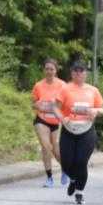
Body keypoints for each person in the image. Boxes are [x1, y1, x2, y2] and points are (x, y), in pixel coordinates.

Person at [54, 60, 103, 205]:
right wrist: (62, 119)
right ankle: (74, 179)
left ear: (86, 73)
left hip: (87, 130)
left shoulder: (93, 90)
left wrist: (95, 111)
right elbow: (56, 107)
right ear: (71, 73)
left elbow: (102, 110)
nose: (78, 73)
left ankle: (79, 192)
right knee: (67, 163)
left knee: (81, 162)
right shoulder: (65, 89)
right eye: (75, 70)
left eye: (81, 70)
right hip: (69, 128)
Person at [32, 59, 66, 187]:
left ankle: (65, 169)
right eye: (47, 69)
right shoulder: (38, 85)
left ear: (56, 70)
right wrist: (38, 105)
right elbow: (33, 103)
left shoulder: (62, 85)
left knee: (56, 149)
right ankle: (49, 177)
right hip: (41, 119)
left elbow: (67, 103)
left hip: (56, 121)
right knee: (46, 147)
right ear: (44, 70)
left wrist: (55, 105)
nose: (49, 71)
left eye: (51, 69)